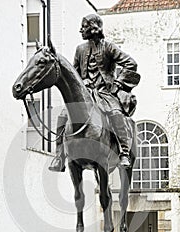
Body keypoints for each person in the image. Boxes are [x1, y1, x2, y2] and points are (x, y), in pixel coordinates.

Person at [49, 13, 140, 172]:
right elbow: (74, 73)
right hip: (86, 94)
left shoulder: (109, 47)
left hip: (105, 94)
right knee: (63, 115)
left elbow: (131, 63)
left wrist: (118, 83)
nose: (80, 30)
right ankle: (59, 156)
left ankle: (124, 152)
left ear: (94, 29)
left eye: (84, 26)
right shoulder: (80, 49)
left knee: (116, 114)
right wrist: (80, 82)